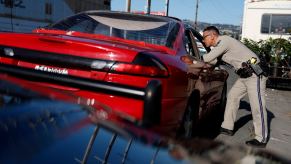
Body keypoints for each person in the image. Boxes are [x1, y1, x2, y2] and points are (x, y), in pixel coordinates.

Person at [182, 26, 268, 148]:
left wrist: (190, 60)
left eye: (204, 37)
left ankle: (261, 138)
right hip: (244, 75)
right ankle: (227, 127)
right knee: (232, 97)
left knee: (257, 106)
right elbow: (211, 62)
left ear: (212, 36)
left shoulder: (224, 41)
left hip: (255, 75)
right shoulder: (219, 47)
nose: (203, 41)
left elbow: (207, 58)